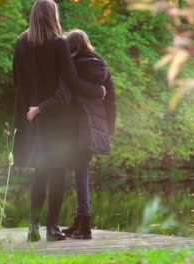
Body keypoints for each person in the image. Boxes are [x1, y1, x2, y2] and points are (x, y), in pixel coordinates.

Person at [12, 0, 105, 242]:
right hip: (56, 117)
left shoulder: (21, 42)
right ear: (52, 15)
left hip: (30, 118)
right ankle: (52, 228)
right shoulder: (58, 44)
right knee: (58, 173)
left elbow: (15, 78)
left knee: (40, 172)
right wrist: (98, 91)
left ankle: (33, 226)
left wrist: (31, 105)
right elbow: (72, 81)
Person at [59, 29, 117, 239]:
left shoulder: (71, 67)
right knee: (81, 172)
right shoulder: (101, 66)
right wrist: (109, 129)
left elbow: (65, 95)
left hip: (76, 126)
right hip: (96, 128)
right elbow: (111, 99)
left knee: (79, 173)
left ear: (70, 47)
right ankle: (80, 220)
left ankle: (84, 224)